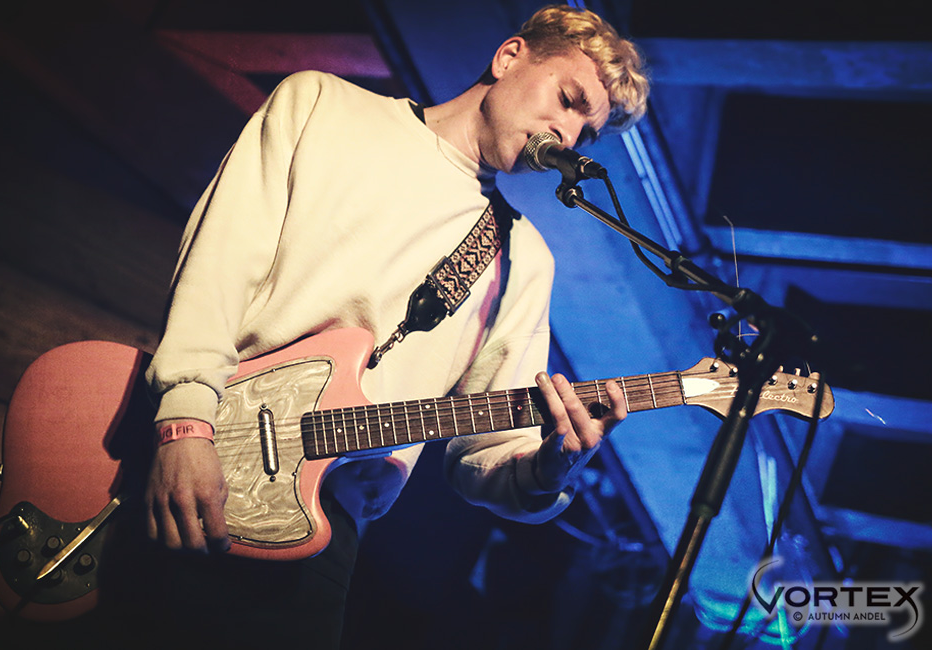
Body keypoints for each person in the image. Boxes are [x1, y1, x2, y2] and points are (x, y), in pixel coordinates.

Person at [139, 4, 649, 647]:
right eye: (568, 99)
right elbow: (219, 264)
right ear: (510, 57)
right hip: (192, 445)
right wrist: (184, 420)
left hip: (321, 529)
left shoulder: (523, 261)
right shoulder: (322, 105)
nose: (569, 135)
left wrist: (550, 467)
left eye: (587, 130)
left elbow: (483, 459)